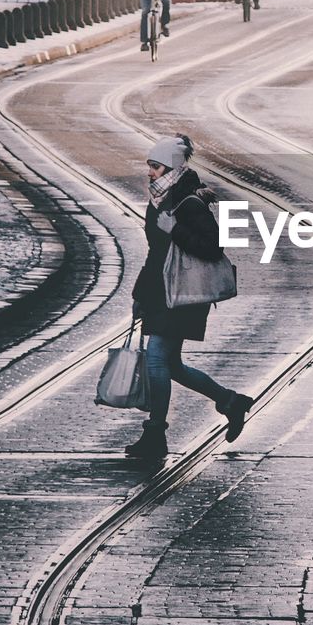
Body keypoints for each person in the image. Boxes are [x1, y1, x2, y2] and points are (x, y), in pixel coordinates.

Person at [127, 133, 253, 464]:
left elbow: (213, 247)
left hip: (185, 293)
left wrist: (175, 230)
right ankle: (230, 401)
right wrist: (140, 295)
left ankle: (155, 435)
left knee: (157, 359)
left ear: (171, 167)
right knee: (172, 366)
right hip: (163, 292)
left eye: (155, 166)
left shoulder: (188, 203)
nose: (150, 172)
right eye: (149, 166)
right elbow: (156, 255)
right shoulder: (158, 201)